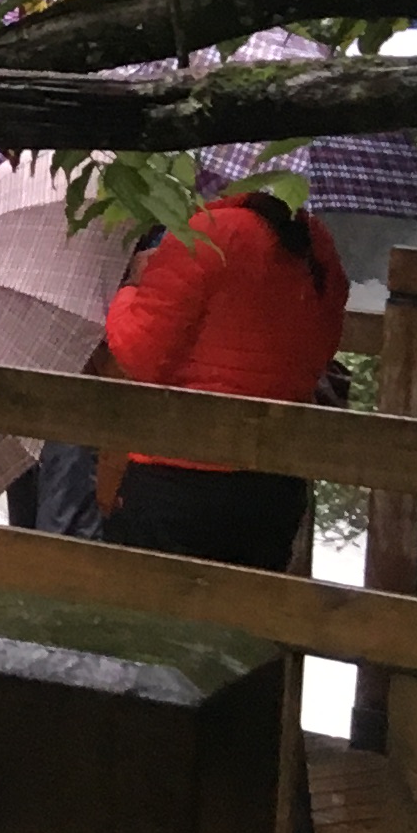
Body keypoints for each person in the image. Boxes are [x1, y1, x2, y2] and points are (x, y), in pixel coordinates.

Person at [96, 184, 349, 567]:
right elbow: (321, 350)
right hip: (274, 481)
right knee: (246, 615)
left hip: (179, 473)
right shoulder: (315, 242)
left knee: (154, 616)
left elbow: (139, 356)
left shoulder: (206, 232)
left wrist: (133, 288)